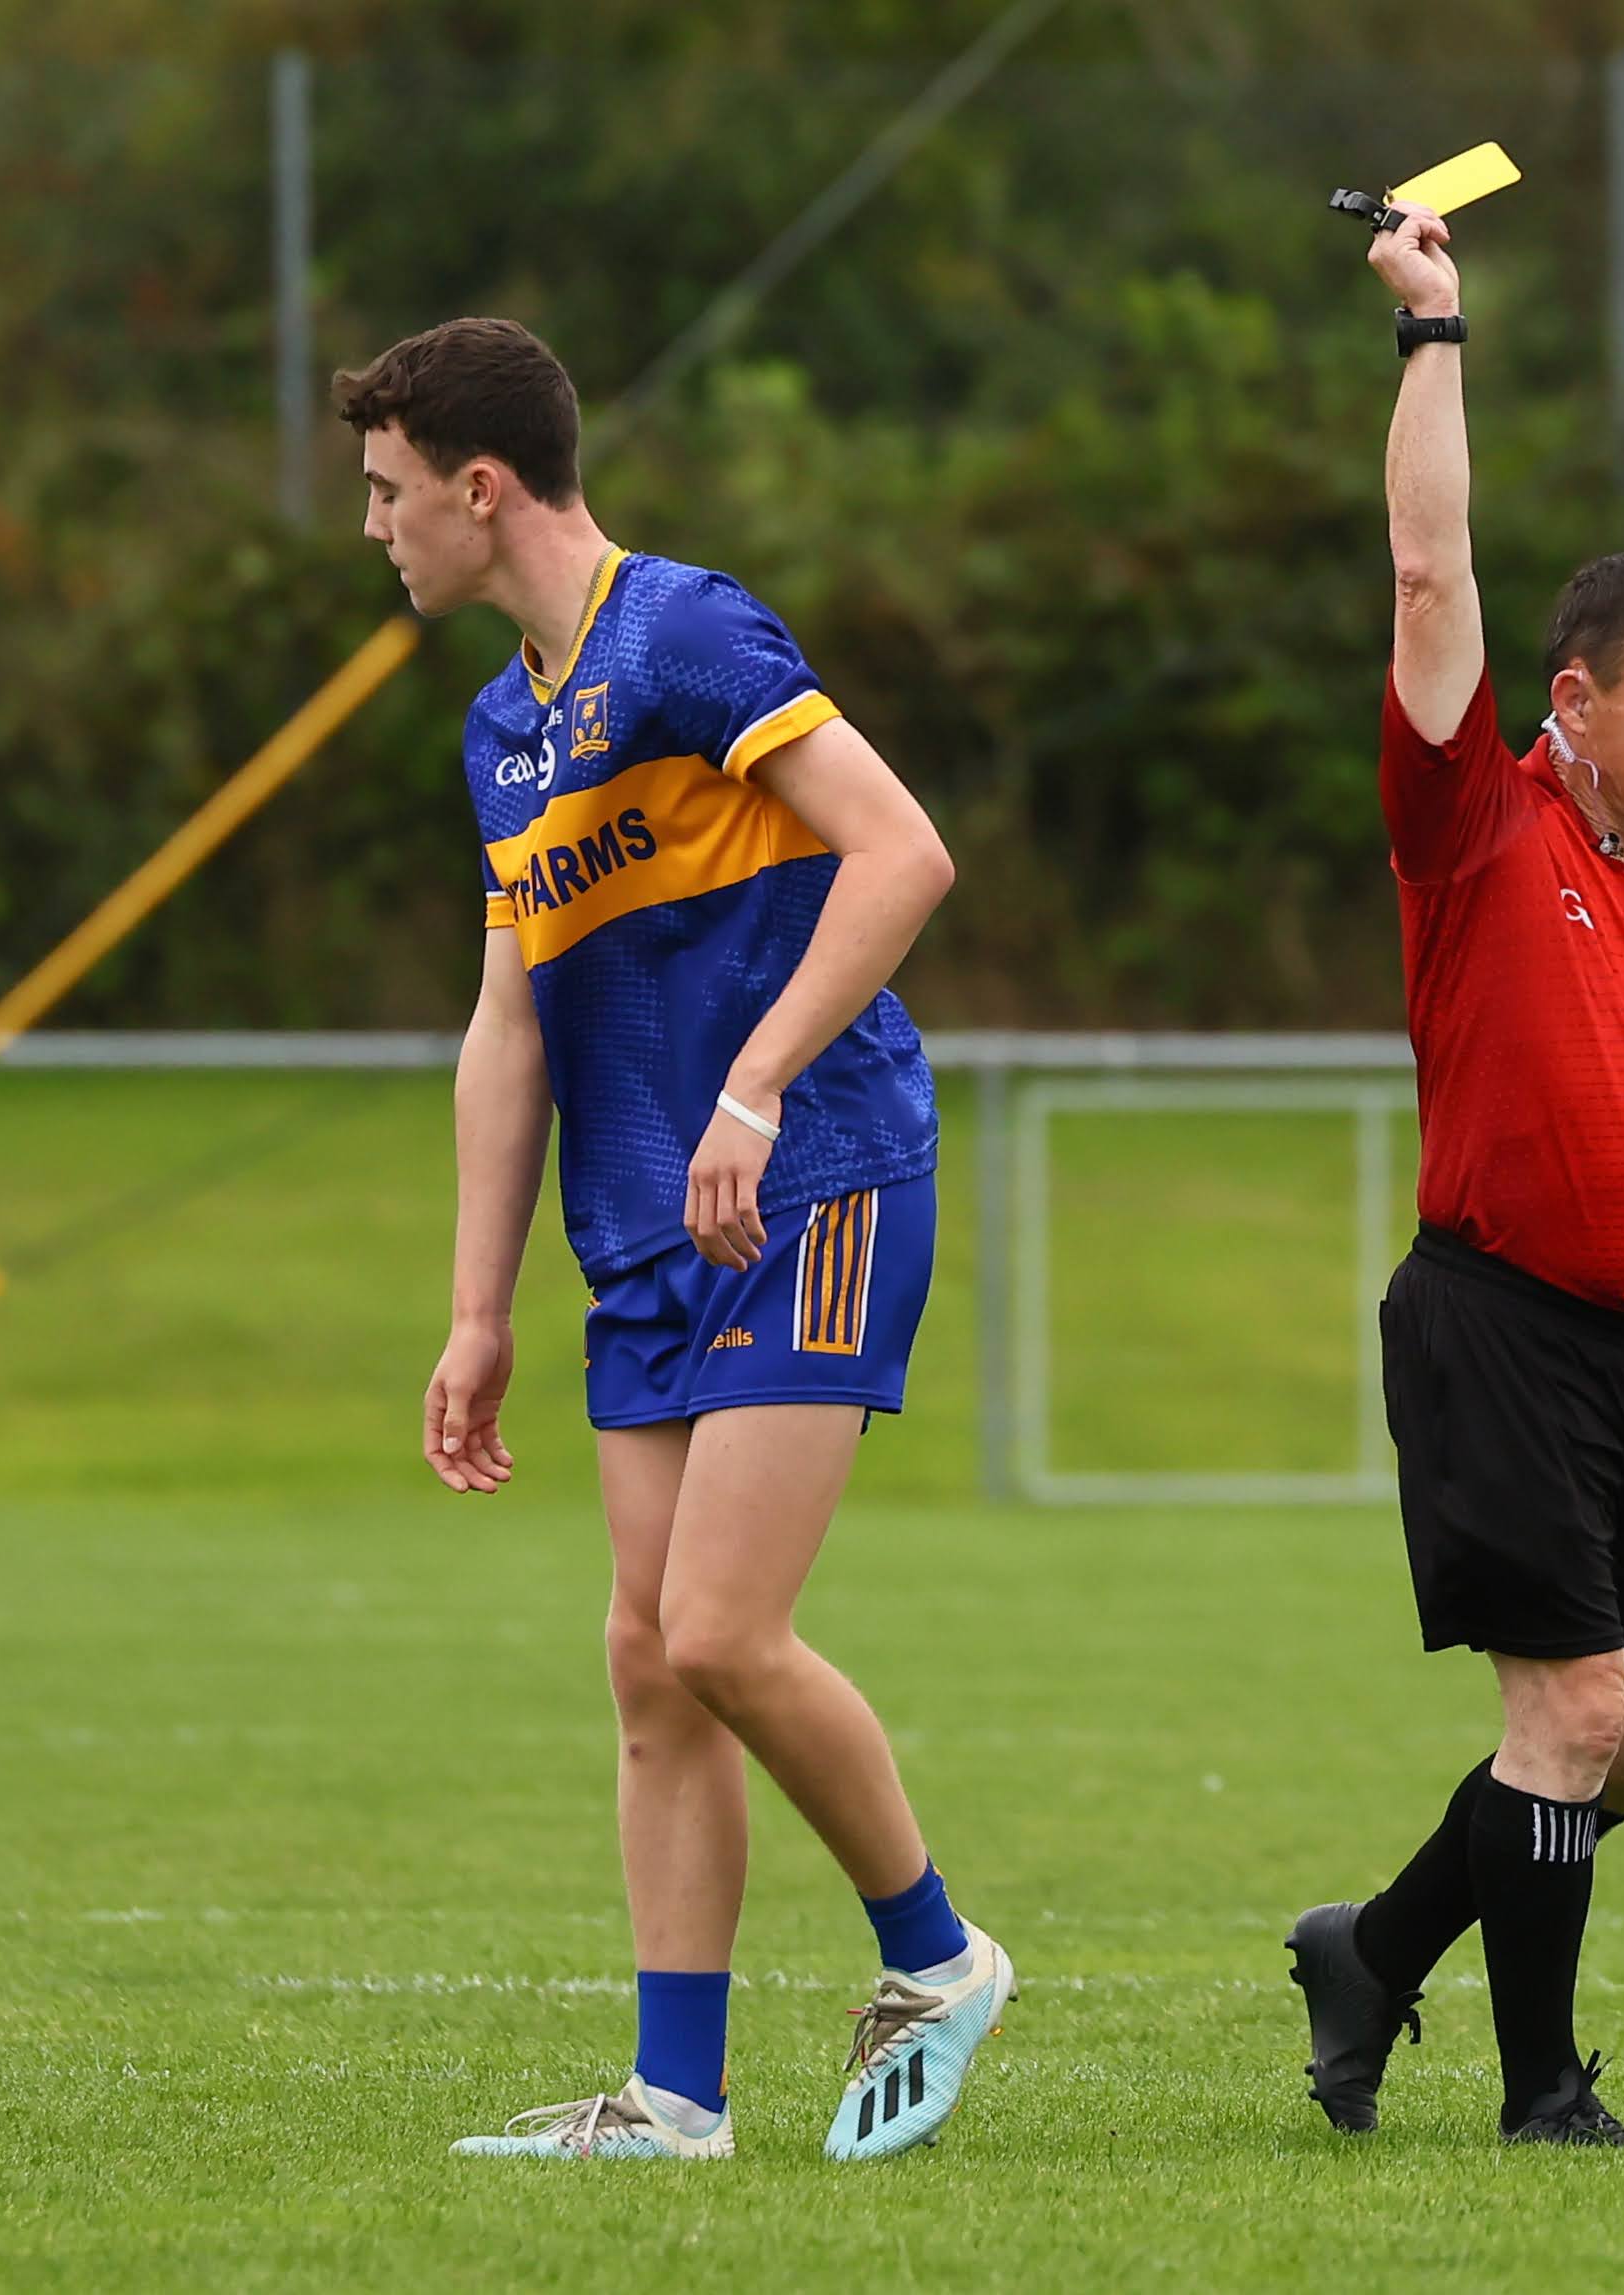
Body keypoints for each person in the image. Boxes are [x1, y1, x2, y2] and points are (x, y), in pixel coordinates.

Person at [336, 317, 1012, 2163]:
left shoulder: (684, 633)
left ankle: (938, 1956)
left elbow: (904, 854)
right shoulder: (503, 734)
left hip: (814, 1178)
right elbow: (508, 1026)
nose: (376, 528)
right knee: (650, 1659)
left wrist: (758, 1089)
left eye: (389, 493)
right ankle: (675, 2100)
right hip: (644, 1231)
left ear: (482, 488)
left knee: (720, 1628)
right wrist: (476, 1311)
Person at [1285, 204, 1624, 2147]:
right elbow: (1426, 565)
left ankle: (1371, 1946)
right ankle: (1541, 2097)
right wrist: (1431, 330)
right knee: (1572, 1716)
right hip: (1497, 1323)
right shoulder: (1475, 823)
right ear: (1573, 699)